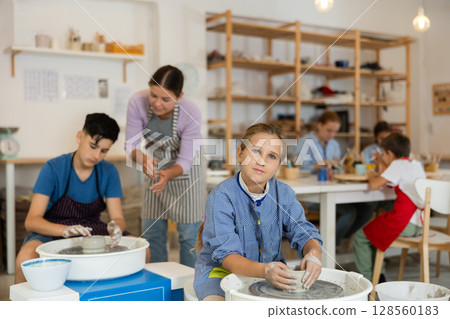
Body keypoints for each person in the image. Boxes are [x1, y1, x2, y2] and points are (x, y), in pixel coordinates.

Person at [193, 123, 322, 301]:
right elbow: (228, 257)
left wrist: (313, 252)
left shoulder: (283, 194)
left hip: (270, 275)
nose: (262, 161)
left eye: (271, 156)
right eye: (256, 151)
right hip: (221, 272)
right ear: (240, 153)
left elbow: (304, 231)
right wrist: (264, 270)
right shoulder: (221, 196)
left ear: (278, 165)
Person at [15, 113, 147, 284]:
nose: (96, 156)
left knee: (142, 249)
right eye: (93, 146)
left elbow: (118, 218)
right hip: (53, 229)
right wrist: (64, 230)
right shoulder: (54, 168)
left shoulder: (109, 171)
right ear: (79, 137)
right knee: (25, 259)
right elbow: (31, 221)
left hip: (90, 230)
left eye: (104, 151)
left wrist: (115, 229)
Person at [125, 65, 205, 267]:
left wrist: (167, 174)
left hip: (187, 169)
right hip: (155, 164)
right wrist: (143, 160)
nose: (157, 104)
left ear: (179, 96)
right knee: (151, 231)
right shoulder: (137, 102)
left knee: (189, 236)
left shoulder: (191, 112)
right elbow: (131, 145)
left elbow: (185, 161)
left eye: (165, 99)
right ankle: (159, 285)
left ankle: (190, 289)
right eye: (153, 95)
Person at [353, 132, 426, 281]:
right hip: (420, 224)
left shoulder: (398, 164)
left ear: (390, 154)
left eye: (384, 153)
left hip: (404, 222)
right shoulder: (414, 164)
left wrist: (370, 173)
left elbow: (374, 184)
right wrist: (381, 161)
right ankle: (379, 276)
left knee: (360, 237)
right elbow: (388, 176)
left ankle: (367, 281)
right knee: (373, 234)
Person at [295, 111, 369, 246]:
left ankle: (337, 241)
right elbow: (298, 170)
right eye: (329, 130)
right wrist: (319, 166)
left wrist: (338, 165)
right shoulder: (305, 141)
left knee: (365, 209)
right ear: (319, 125)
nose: (332, 135)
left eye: (335, 131)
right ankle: (328, 247)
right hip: (313, 195)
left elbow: (336, 169)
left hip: (333, 190)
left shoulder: (334, 144)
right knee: (350, 212)